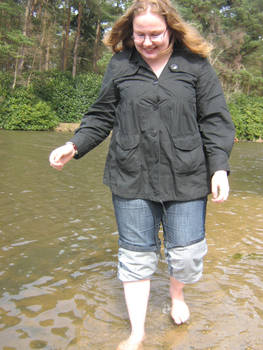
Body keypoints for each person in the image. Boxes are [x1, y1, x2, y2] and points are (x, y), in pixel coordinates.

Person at [49, 0, 235, 349]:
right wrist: (74, 145)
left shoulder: (195, 65)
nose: (147, 42)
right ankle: (137, 332)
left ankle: (177, 294)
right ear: (129, 33)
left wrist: (219, 167)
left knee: (186, 253)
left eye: (155, 34)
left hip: (188, 174)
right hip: (130, 172)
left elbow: (215, 120)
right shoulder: (120, 65)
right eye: (140, 35)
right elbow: (101, 115)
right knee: (135, 254)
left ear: (171, 31)